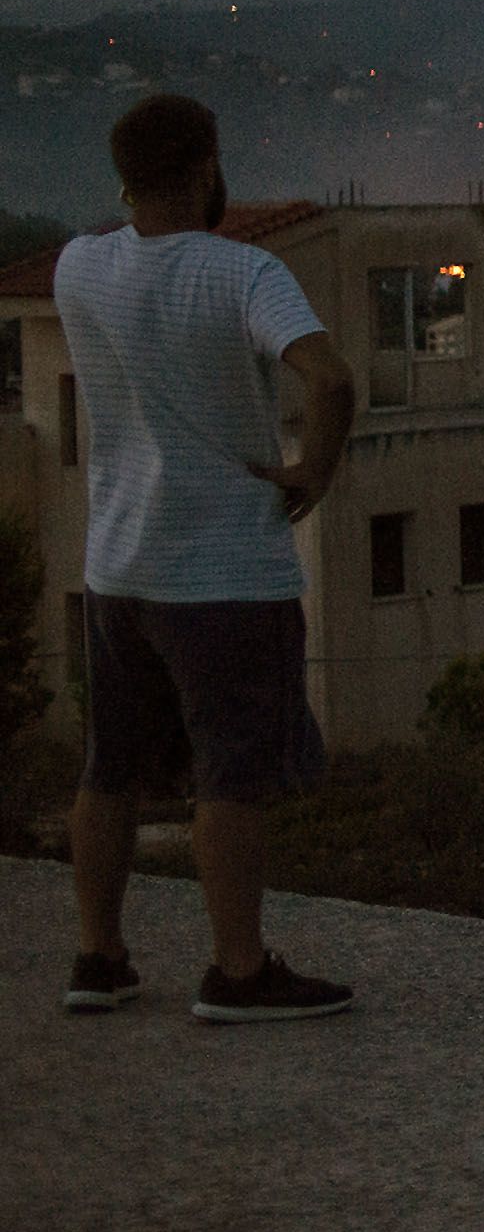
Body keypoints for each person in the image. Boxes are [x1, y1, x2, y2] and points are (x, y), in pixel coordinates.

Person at [53, 93, 358, 1023]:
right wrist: (317, 466)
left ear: (126, 177)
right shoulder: (246, 273)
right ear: (202, 170)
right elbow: (330, 374)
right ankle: (236, 968)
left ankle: (99, 958)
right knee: (232, 776)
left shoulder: (78, 266)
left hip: (119, 565)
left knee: (109, 771)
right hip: (225, 570)